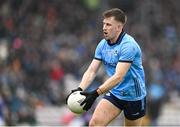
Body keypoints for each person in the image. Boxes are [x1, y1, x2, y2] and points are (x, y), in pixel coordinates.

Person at [66, 8, 146, 126]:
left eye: (108, 24)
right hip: (115, 93)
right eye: (104, 24)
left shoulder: (129, 46)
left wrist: (95, 93)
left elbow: (119, 76)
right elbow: (92, 70)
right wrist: (80, 89)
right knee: (94, 124)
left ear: (119, 27)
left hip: (134, 96)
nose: (104, 27)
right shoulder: (102, 45)